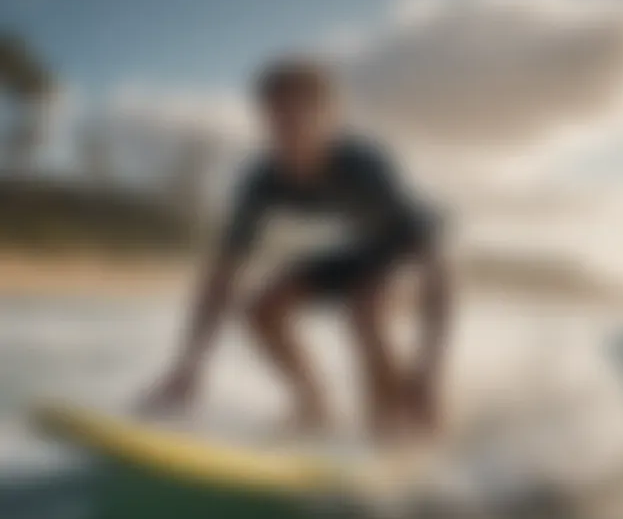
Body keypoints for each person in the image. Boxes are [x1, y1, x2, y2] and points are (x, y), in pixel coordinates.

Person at [142, 58, 449, 437]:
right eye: (277, 118)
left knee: (365, 311)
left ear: (330, 118)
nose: (290, 130)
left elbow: (435, 269)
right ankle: (314, 403)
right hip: (359, 251)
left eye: (302, 115)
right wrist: (188, 367)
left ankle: (392, 424)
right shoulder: (262, 181)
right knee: (261, 309)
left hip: (405, 255)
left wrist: (428, 373)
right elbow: (220, 278)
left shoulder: (363, 165)